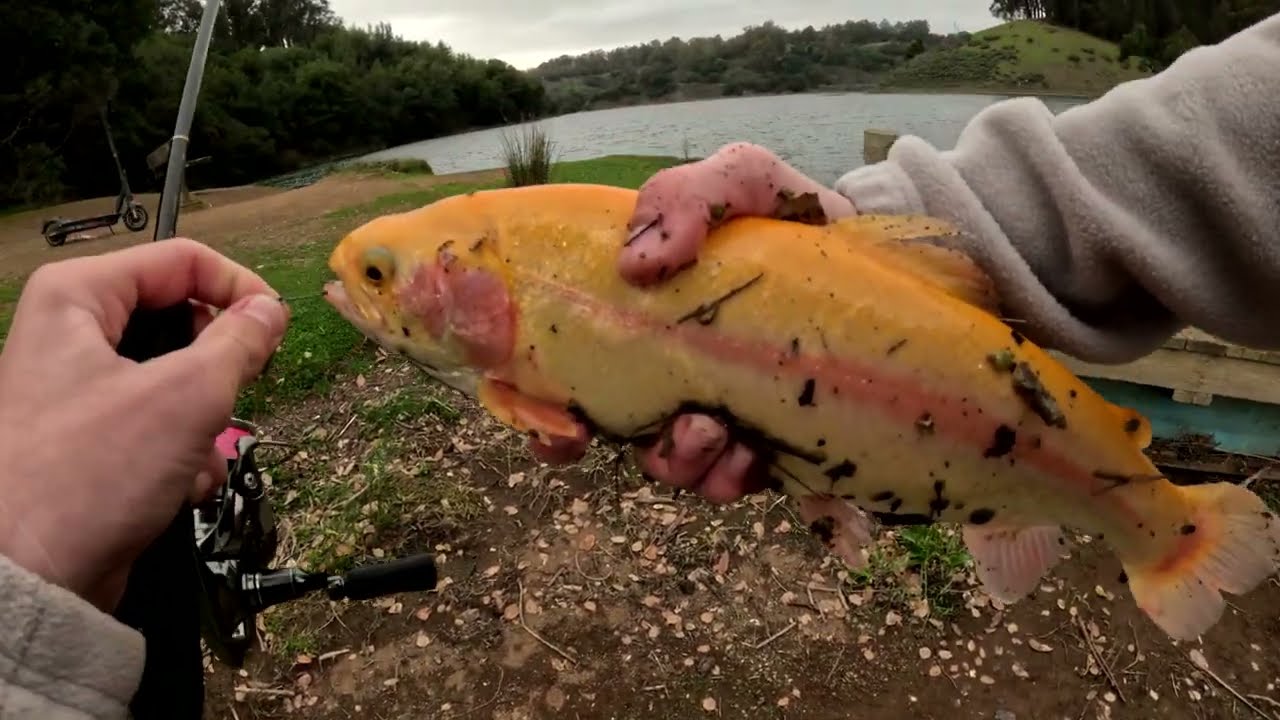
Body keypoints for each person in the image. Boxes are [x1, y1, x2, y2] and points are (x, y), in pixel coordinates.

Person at [0, 11, 1276, 719]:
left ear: (472, 278)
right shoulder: (510, 369)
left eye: (384, 279)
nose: (364, 300)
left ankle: (1143, 516)